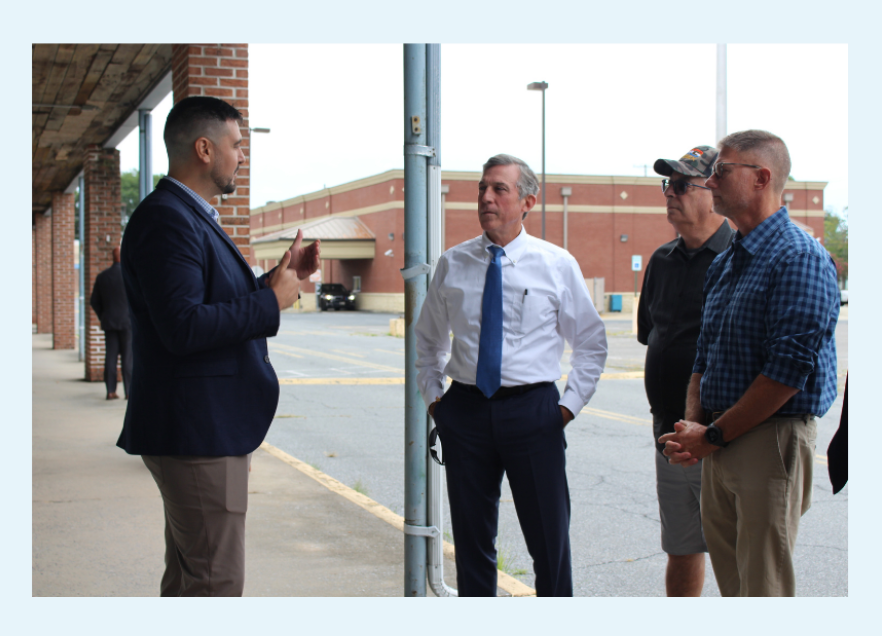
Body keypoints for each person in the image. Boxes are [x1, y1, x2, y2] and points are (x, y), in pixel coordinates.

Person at [117, 96, 320, 596]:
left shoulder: (187, 214)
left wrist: (277, 279)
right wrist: (270, 303)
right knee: (215, 584)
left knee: (191, 578)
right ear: (204, 149)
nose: (242, 156)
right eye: (236, 145)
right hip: (197, 433)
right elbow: (183, 326)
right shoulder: (169, 219)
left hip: (198, 429)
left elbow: (207, 300)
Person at [415, 154, 607, 596]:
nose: (486, 198)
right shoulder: (453, 263)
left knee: (549, 542)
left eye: (499, 189)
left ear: (527, 202)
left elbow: (592, 344)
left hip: (533, 412)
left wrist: (565, 409)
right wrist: (436, 403)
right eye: (482, 188)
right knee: (471, 543)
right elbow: (427, 342)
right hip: (464, 412)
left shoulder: (556, 264)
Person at [660, 130, 839, 597]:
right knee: (736, 587)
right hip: (718, 441)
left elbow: (786, 373)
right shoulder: (727, 261)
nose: (711, 181)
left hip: (769, 439)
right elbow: (705, 355)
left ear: (762, 178)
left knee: (764, 590)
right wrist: (694, 427)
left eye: (721, 171)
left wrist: (712, 436)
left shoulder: (799, 257)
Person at [638, 145, 733, 596]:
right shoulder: (660, 260)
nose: (670, 194)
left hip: (722, 440)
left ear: (713, 190)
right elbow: (650, 334)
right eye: (667, 185)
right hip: (669, 434)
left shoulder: (740, 257)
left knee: (737, 555)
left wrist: (712, 431)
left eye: (681, 185)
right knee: (681, 548)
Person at [90, 246, 132, 400]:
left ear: (112, 257)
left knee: (111, 357)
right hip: (127, 323)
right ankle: (129, 391)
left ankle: (111, 391)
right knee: (128, 359)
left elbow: (94, 301)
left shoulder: (103, 277)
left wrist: (104, 316)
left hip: (110, 323)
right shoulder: (129, 276)